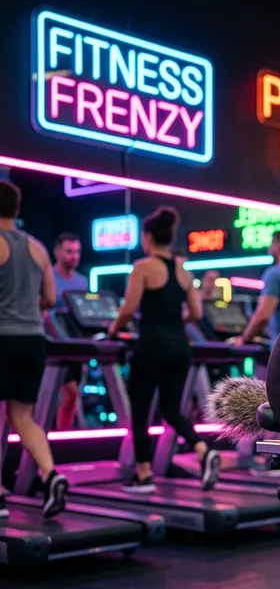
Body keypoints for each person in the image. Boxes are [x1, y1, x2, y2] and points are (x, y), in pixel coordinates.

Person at [108, 206, 220, 493]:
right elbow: (195, 312)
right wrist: (172, 321)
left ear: (147, 238)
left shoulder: (142, 267)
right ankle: (202, 451)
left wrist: (112, 330)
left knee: (141, 410)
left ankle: (143, 475)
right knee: (172, 409)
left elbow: (129, 309)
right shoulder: (183, 272)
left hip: (151, 344)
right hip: (179, 345)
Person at [0, 181, 68, 518]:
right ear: (16, 207)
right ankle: (50, 473)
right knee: (22, 416)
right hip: (32, 339)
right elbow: (51, 300)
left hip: (2, 337)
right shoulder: (38, 248)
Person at [52, 232, 89, 430]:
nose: (73, 256)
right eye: (69, 251)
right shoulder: (47, 276)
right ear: (57, 252)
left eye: (77, 252)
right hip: (51, 345)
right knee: (69, 393)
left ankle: (61, 438)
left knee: (71, 396)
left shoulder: (82, 282)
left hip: (75, 345)